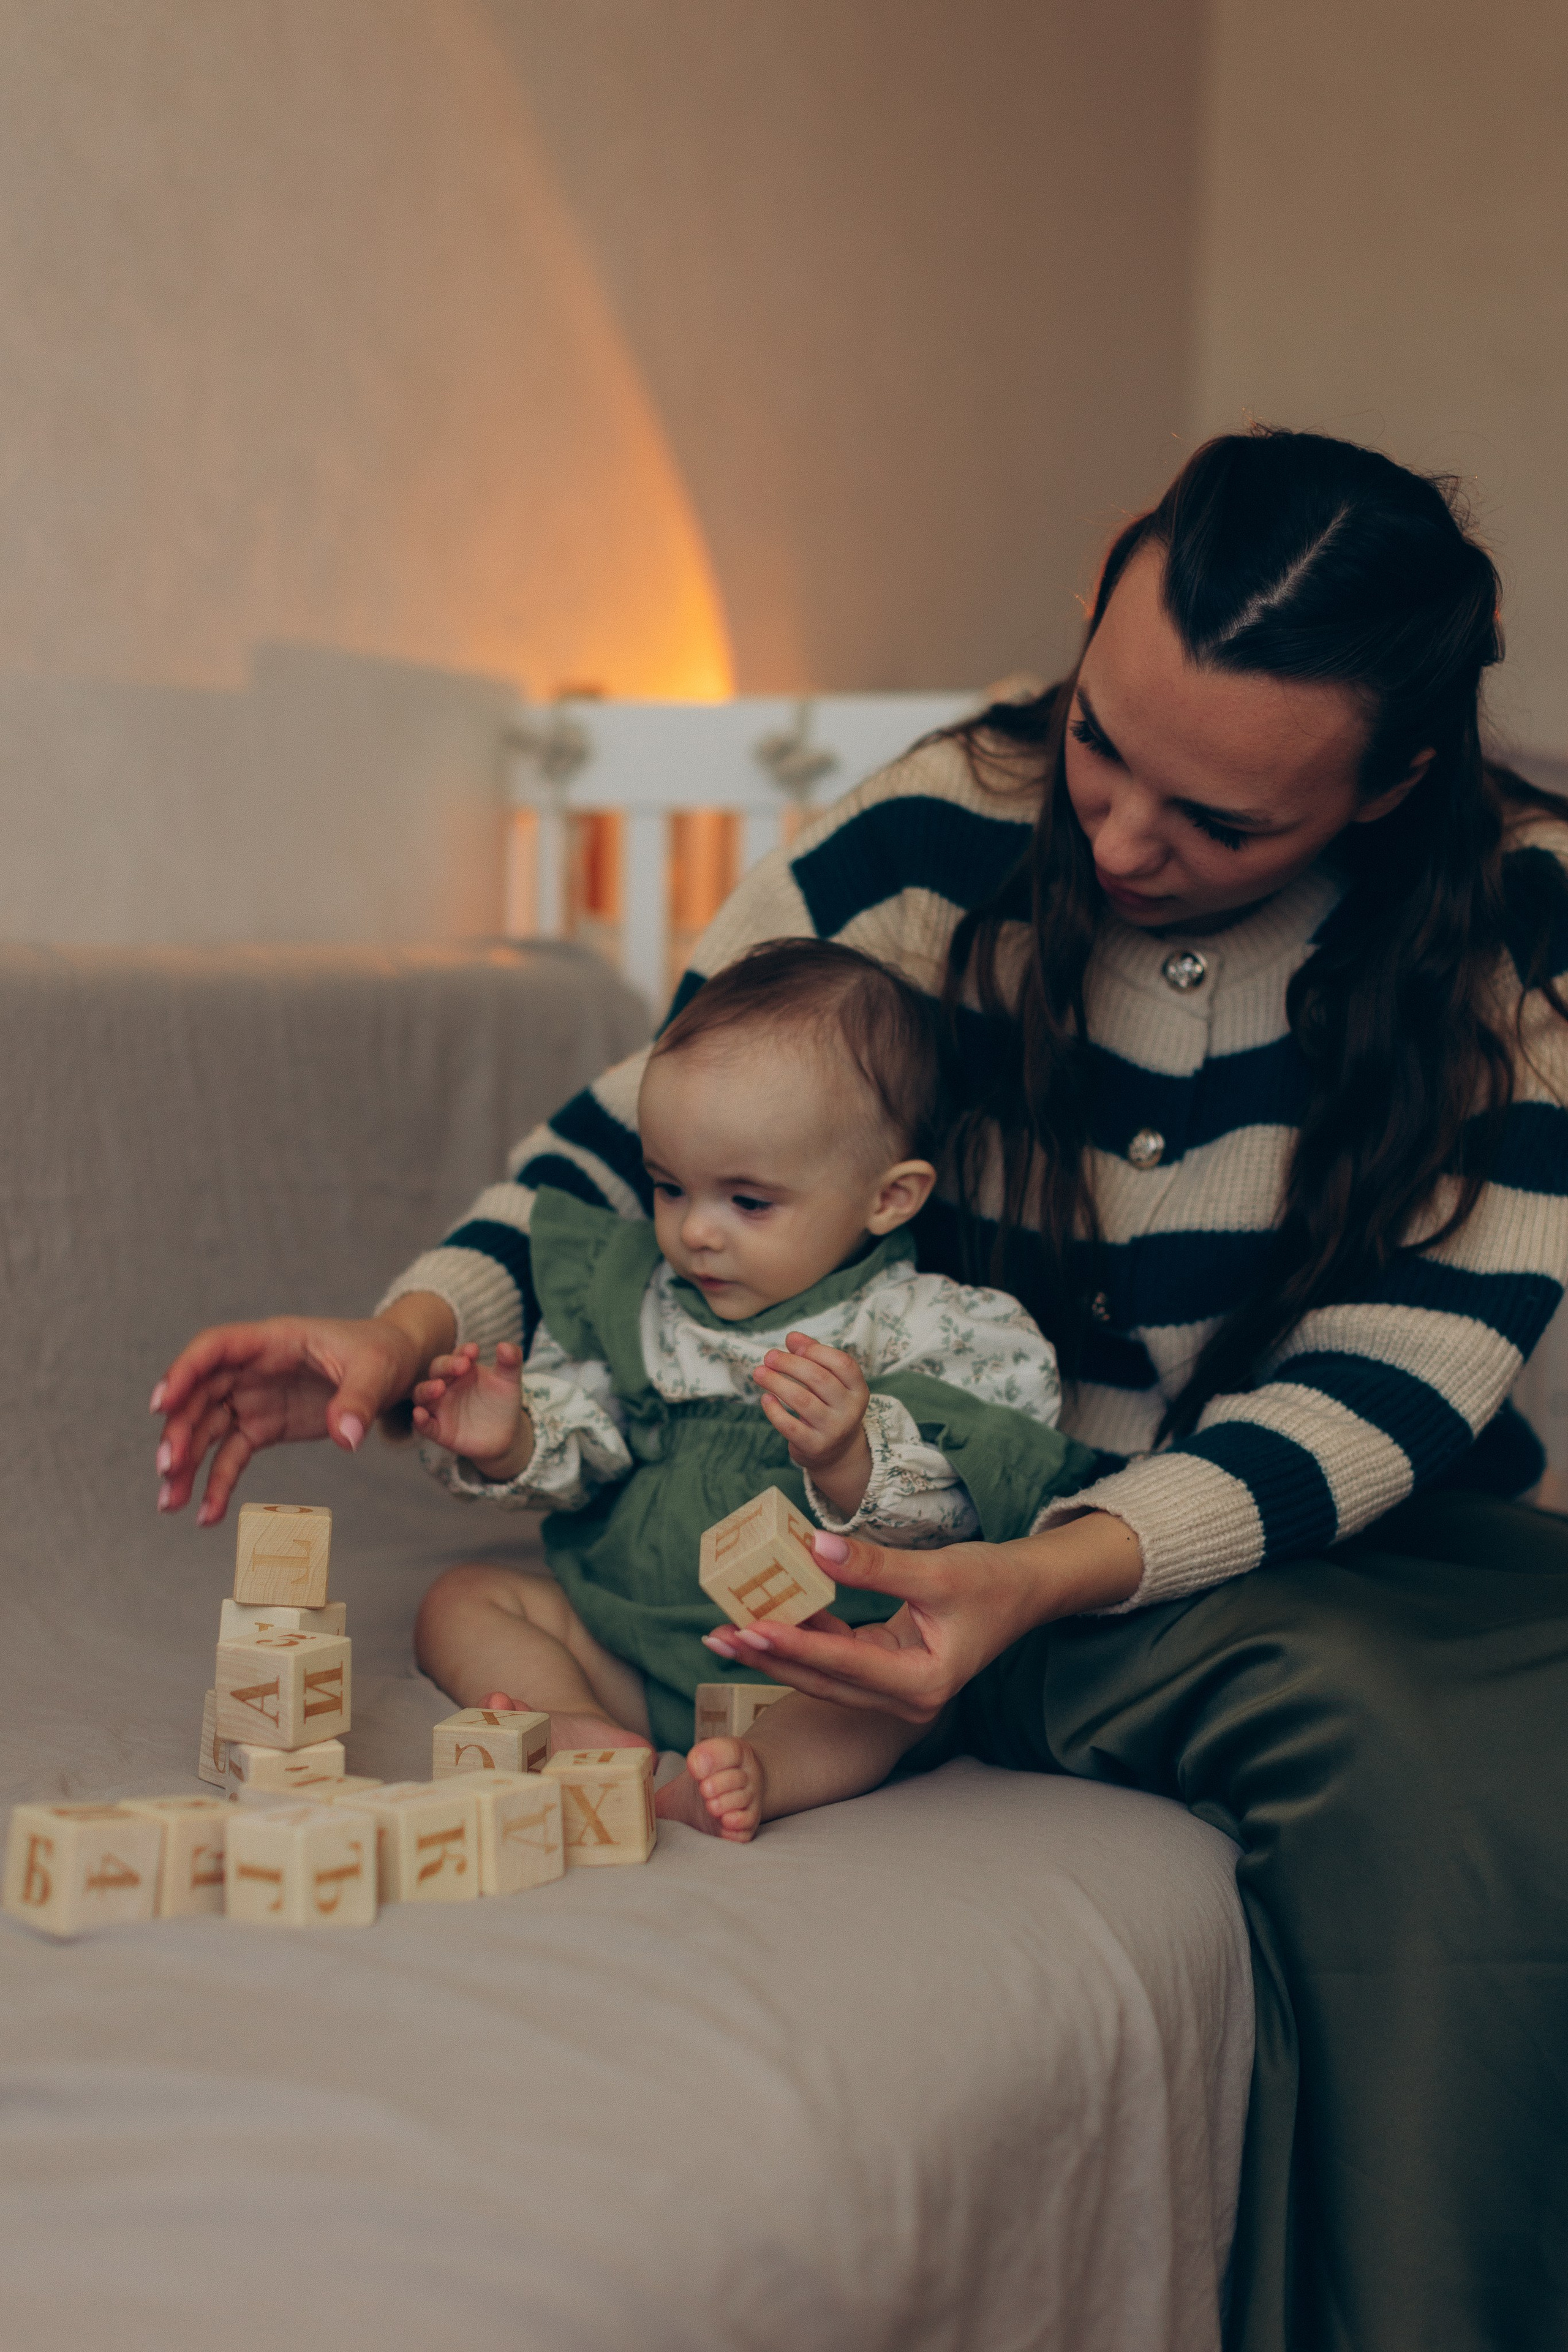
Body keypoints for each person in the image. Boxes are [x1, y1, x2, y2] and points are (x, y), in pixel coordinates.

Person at [151, 426, 1568, 2352]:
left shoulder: (1517, 927)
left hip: (1315, 1519)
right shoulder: (943, 825)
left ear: (1396, 781)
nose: (1126, 839)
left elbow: (1399, 1390)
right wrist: (410, 1329)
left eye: (1221, 824)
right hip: (989, 1529)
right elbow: (648, 1139)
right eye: (1101, 740)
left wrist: (1054, 1570)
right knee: (1409, 1760)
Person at [404, 937, 1090, 1839]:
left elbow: (968, 1512)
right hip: (626, 1636)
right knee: (460, 1600)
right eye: (668, 1187)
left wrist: (849, 1456)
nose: (696, 1233)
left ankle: (754, 1769)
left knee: (893, 1696)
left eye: (748, 1202)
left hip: (812, 1668)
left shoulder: (923, 1328)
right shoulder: (641, 1301)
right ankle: (570, 1721)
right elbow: (588, 1450)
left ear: (889, 1198)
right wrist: (515, 1440)